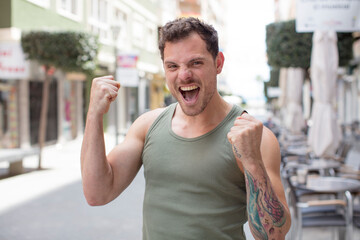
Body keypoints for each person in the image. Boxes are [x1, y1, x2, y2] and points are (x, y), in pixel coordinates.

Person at [81, 17, 291, 240]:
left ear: (218, 63)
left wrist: (252, 161)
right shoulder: (148, 125)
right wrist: (94, 114)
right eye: (173, 66)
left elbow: (274, 235)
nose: (183, 75)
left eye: (195, 63)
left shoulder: (255, 137)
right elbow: (97, 194)